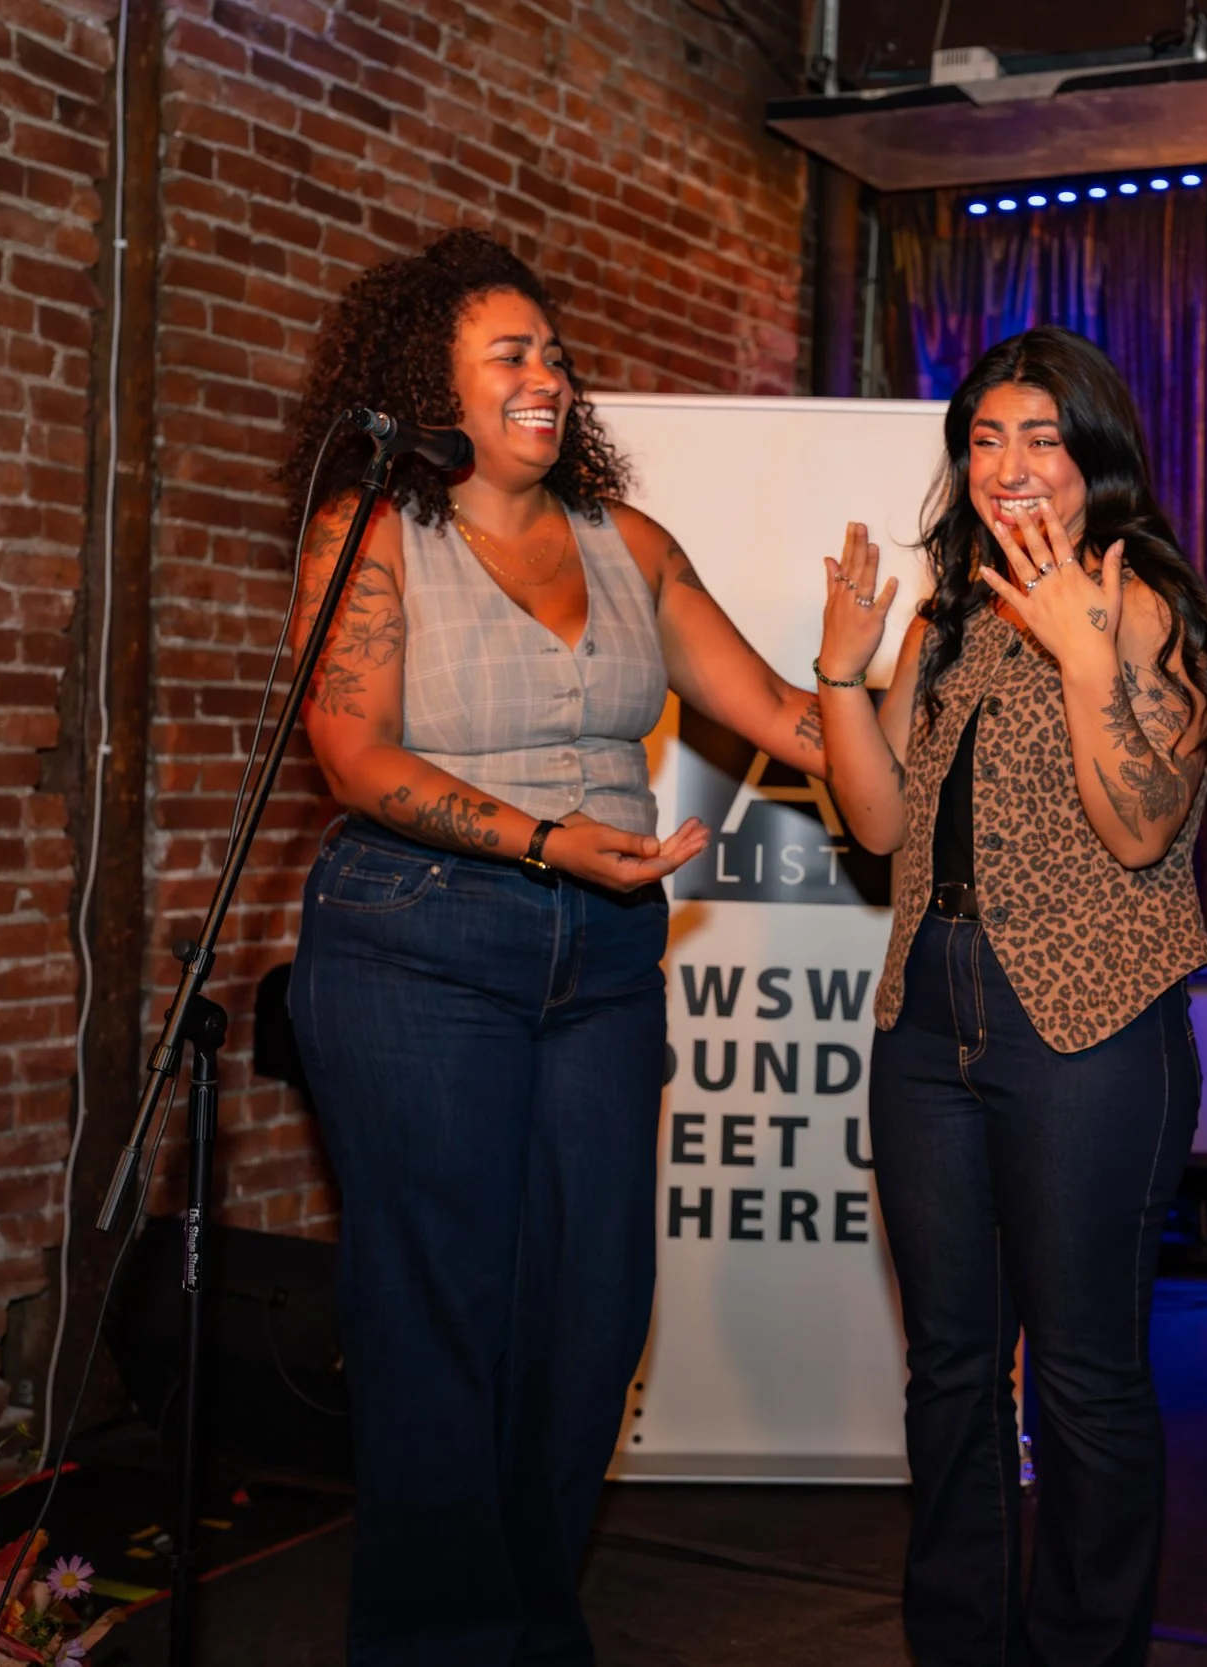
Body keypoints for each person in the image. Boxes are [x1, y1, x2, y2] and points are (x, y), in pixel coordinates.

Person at [279, 228, 826, 1664]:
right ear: (430, 379)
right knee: (439, 1313)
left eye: (555, 354)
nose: (548, 376)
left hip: (603, 959)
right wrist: (537, 841)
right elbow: (352, 753)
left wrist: (895, 694)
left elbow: (785, 717)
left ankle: (527, 1616)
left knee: (592, 1307)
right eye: (510, 353)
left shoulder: (627, 544)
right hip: (417, 940)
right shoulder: (370, 530)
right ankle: (444, 1641)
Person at [813, 326, 1207, 1665]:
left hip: (1090, 1029)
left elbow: (1143, 826)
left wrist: (1085, 655)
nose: (1007, 465)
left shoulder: (1147, 603)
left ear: (1092, 455)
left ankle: (1085, 1648)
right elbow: (881, 825)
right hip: (927, 1020)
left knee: (1082, 1374)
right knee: (949, 1369)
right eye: (985, 438)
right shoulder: (947, 614)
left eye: (1040, 438)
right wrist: (841, 671)